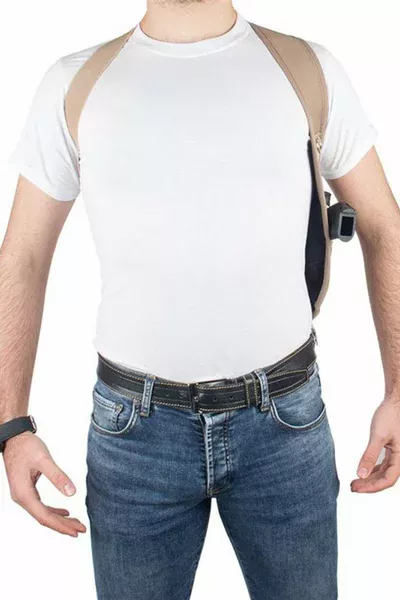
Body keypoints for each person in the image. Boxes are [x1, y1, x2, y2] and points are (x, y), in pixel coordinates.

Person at [1, 1, 400, 599]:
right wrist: (11, 425)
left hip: (285, 422)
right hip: (135, 435)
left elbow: (385, 227)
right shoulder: (75, 83)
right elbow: (23, 256)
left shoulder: (306, 69)